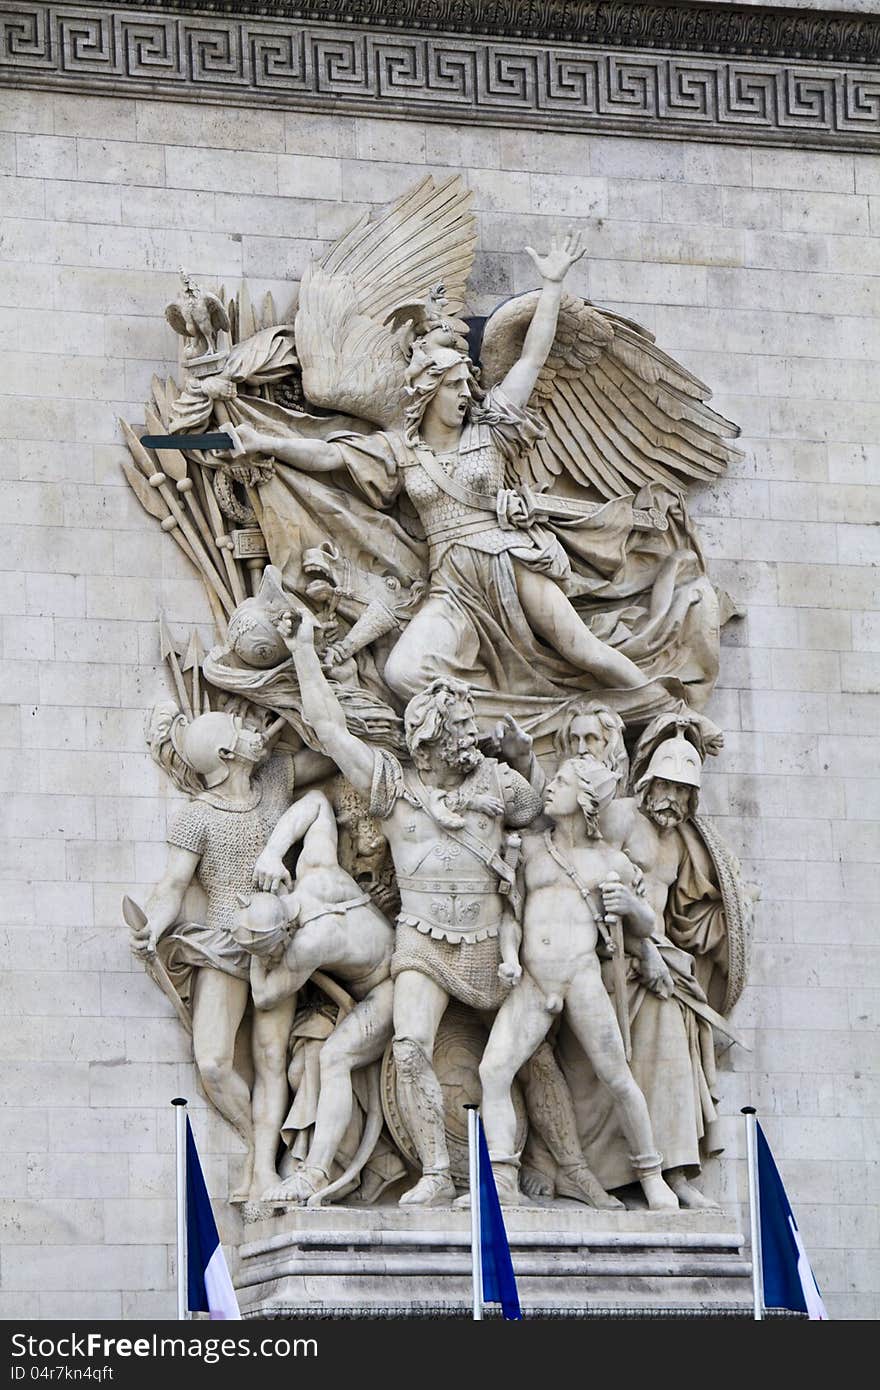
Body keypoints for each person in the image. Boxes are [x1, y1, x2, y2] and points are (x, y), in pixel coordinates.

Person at [224, 234, 680, 709]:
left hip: (508, 559)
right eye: (454, 384)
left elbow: (532, 357)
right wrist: (266, 443)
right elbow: (329, 456)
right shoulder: (400, 450)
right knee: (402, 673)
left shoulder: (491, 429)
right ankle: (506, 723)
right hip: (450, 580)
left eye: (467, 382)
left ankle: (671, 712)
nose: (465, 392)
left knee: (580, 647)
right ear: (428, 391)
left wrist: (551, 285)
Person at [277, 605, 543, 1205]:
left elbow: (544, 817)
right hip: (421, 943)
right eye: (458, 728)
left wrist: (527, 761)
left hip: (494, 943)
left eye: (469, 726)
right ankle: (436, 1172)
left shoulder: (497, 784)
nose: (468, 738)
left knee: (537, 1051)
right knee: (408, 1047)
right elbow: (330, 730)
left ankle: (547, 1166)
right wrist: (301, 652)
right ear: (431, 740)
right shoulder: (396, 793)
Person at [477, 756, 678, 1209]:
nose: (551, 787)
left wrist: (629, 903)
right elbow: (512, 917)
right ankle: (502, 1178)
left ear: (585, 798)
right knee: (493, 1071)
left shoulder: (611, 862)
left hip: (580, 978)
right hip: (532, 980)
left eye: (562, 781)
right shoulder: (529, 849)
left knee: (618, 1077)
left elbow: (648, 925)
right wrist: (509, 957)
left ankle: (651, 1176)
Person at [128, 707, 297, 1202]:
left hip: (278, 944)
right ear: (227, 753)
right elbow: (172, 885)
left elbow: (322, 757)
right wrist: (153, 927)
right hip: (224, 943)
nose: (252, 732)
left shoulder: (277, 783)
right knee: (213, 1062)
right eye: (241, 731)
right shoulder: (197, 815)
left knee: (270, 1057)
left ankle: (263, 1168)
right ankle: (257, 1142)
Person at [232, 788, 397, 1205]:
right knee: (307, 1062)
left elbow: (264, 995)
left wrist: (258, 956)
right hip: (377, 966)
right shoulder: (315, 871)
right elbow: (318, 802)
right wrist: (272, 854)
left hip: (388, 988)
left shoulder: (307, 946)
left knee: (333, 1058)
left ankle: (317, 1173)